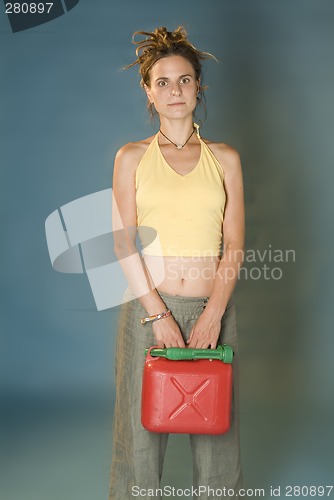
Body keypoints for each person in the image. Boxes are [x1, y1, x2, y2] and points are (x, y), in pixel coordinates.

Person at [109, 26, 245, 499]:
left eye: (184, 80)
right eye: (162, 82)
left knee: (217, 441)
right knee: (140, 443)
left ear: (198, 86)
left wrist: (213, 314)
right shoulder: (131, 157)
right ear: (148, 90)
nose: (174, 90)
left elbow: (236, 245)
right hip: (150, 312)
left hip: (213, 312)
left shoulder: (224, 159)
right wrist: (158, 314)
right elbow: (124, 243)